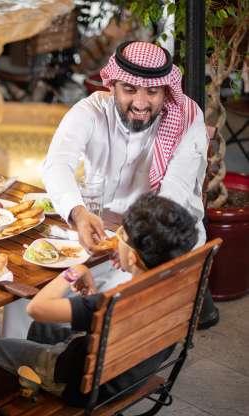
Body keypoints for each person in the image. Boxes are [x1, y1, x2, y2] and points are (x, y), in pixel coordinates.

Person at [40, 40, 218, 328]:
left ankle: (66, 352)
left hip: (158, 242)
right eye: (130, 89)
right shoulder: (90, 111)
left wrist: (129, 241)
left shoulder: (186, 118)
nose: (140, 103)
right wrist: (78, 213)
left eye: (152, 92)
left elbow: (173, 195)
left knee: (97, 310)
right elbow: (57, 164)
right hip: (101, 232)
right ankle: (33, 354)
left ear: (166, 91)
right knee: (34, 287)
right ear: (112, 86)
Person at [0, 193, 198, 407]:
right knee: (38, 330)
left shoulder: (110, 304)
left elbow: (36, 308)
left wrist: (74, 270)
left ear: (133, 257)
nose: (116, 238)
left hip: (80, 386)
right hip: (128, 378)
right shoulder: (179, 293)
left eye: (121, 233)